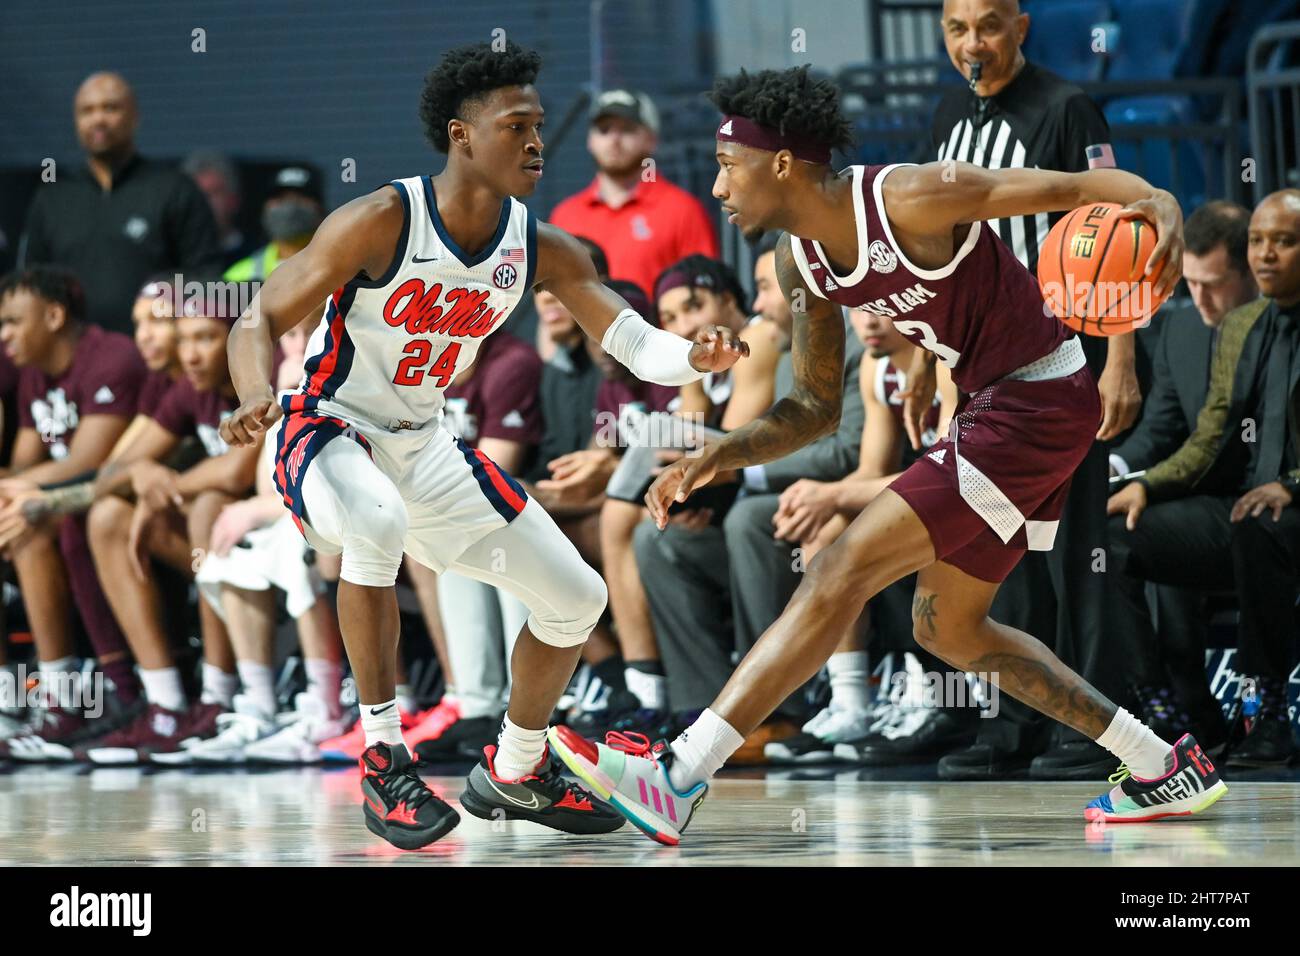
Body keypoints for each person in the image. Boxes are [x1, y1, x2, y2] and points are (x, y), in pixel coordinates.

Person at [547, 65, 1225, 847]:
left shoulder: (910, 196)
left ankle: (677, 776)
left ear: (781, 163)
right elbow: (808, 405)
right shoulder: (803, 262)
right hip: (995, 408)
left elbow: (1082, 187)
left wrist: (1163, 202)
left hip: (1036, 397)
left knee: (838, 566)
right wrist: (720, 454)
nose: (720, 189)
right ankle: (1159, 764)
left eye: (730, 168)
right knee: (953, 633)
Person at [220, 41, 745, 850]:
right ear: (462, 135)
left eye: (540, 125)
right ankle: (384, 755)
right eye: (518, 125)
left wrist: (695, 357)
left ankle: (516, 766)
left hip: (425, 443)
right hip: (326, 427)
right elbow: (256, 318)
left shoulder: (537, 244)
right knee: (375, 519)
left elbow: (635, 342)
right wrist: (257, 392)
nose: (538, 142)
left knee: (577, 597)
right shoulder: (382, 219)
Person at [933, 0, 1138, 781]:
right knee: (997, 553)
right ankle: (1015, 721)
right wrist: (930, 367)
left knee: (1077, 556)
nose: (972, 43)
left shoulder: (1064, 107)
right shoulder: (950, 112)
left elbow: (1119, 226)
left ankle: (1095, 730)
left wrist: (1120, 357)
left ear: (1020, 26)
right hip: (981, 373)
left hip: (1067, 366)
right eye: (956, 28)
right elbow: (938, 246)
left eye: (988, 25)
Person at [1107, 190, 1300, 769]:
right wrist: (1147, 485)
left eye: (1284, 242)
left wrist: (1291, 483)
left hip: (1286, 507)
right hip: (1244, 507)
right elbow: (1211, 435)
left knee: (1260, 523)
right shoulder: (1243, 324)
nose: (1267, 255)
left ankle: (1265, 714)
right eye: (1260, 242)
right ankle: (1160, 708)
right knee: (1111, 535)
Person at [0, 266, 145, 760]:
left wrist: (17, 489)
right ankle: (7, 695)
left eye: (14, 322)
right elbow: (25, 462)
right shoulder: (32, 375)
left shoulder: (111, 356)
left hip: (114, 496)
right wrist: (11, 488)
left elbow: (90, 460)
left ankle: (65, 699)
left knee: (30, 522)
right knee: (18, 509)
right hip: (62, 498)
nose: (5, 336)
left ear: (55, 315)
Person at [18, 73, 223, 334]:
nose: (98, 119)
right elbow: (32, 286)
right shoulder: (51, 199)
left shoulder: (175, 189)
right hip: (73, 364)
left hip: (154, 360)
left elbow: (205, 277)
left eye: (111, 108)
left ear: (135, 116)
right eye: (87, 111)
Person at [547, 89, 719, 301]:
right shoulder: (565, 215)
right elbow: (551, 302)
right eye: (604, 130)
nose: (614, 139)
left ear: (652, 140)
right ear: (590, 141)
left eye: (627, 130)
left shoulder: (683, 211)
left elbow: (705, 297)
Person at [224, 166, 326, 283]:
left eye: (300, 197)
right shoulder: (238, 276)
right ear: (264, 209)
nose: (290, 206)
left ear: (320, 209)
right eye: (280, 198)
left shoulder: (342, 268)